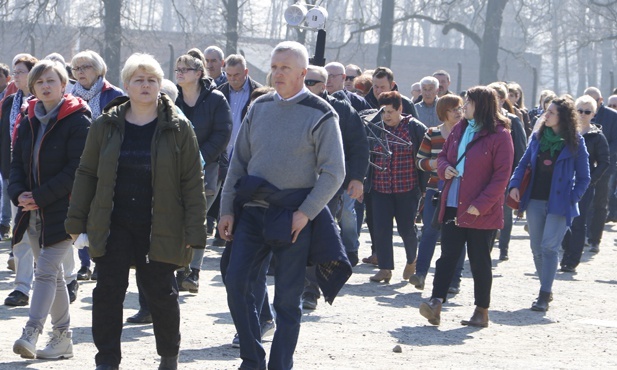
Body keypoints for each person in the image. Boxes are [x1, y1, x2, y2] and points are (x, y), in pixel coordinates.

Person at [65, 53, 207, 370]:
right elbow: (86, 172)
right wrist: (76, 221)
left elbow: (192, 182)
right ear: (126, 85)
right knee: (107, 294)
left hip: (160, 224)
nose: (146, 85)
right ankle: (107, 361)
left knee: (162, 293)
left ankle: (169, 357)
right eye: (139, 80)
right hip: (113, 223)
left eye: (152, 80)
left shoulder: (179, 127)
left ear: (161, 85)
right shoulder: (105, 124)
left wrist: (194, 233)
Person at [218, 41, 350, 370]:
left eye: (285, 68)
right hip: (252, 211)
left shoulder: (322, 113)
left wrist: (306, 213)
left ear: (303, 73)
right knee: (236, 283)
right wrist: (226, 209)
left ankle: (280, 365)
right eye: (274, 67)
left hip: (294, 215)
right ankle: (252, 359)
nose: (276, 73)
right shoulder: (259, 107)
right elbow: (238, 163)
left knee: (287, 302)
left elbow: (335, 171)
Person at [11, 59, 91, 360]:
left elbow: (77, 169)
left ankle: (31, 331)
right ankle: (62, 339)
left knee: (44, 269)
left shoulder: (78, 119)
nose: (45, 86)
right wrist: (19, 194)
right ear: (33, 87)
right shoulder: (28, 116)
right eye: (40, 82)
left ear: (64, 84)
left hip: (65, 210)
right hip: (31, 209)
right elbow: (16, 161)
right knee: (54, 276)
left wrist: (40, 196)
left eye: (51, 81)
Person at [420, 86, 514, 327]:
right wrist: (444, 168)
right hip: (453, 203)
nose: (463, 108)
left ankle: (481, 311)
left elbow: (502, 177)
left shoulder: (500, 135)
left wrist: (480, 205)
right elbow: (443, 157)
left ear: (480, 105)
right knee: (447, 256)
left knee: (479, 260)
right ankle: (435, 302)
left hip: (481, 210)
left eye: (468, 103)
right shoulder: (460, 128)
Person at [509, 97, 590, 312]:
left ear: (563, 117)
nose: (547, 115)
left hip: (560, 204)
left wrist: (572, 198)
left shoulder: (575, 141)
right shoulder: (537, 137)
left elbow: (584, 177)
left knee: (549, 247)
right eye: (547, 111)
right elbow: (522, 164)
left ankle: (544, 294)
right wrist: (514, 185)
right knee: (536, 248)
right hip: (534, 200)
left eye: (552, 112)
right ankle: (546, 286)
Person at [301, 65, 368, 307]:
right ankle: (295, 281)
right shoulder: (292, 105)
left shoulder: (340, 110)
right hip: (293, 180)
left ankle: (311, 289)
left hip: (327, 183)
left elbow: (359, 145)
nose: (307, 85)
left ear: (324, 84)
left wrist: (357, 178)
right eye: (305, 80)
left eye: (312, 82)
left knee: (314, 231)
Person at [174, 51, 232, 293]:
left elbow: (223, 133)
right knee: (176, 219)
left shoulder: (216, 99)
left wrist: (199, 157)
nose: (179, 73)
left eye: (185, 69)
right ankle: (178, 269)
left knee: (195, 219)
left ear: (198, 74)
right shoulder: (171, 99)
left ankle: (193, 272)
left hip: (209, 169)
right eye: (177, 68)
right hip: (175, 169)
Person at [69, 50, 124, 281]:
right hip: (77, 163)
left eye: (86, 67)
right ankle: (84, 264)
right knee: (80, 211)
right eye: (76, 68)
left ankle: (101, 260)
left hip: (107, 164)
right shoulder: (69, 96)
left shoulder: (114, 95)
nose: (81, 72)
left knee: (104, 212)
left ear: (99, 69)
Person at [368, 91, 426, 283]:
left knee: (406, 228)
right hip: (380, 188)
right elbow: (367, 156)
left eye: (391, 111)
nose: (387, 116)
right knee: (381, 229)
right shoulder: (375, 128)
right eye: (383, 112)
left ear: (400, 109)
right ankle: (385, 268)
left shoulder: (414, 128)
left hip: (407, 188)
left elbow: (425, 157)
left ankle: (412, 260)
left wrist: (424, 187)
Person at [411, 94, 466, 290]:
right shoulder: (432, 134)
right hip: (435, 189)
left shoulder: (467, 134)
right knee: (429, 232)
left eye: (460, 107)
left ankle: (454, 280)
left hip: (459, 191)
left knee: (457, 235)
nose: (458, 112)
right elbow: (419, 161)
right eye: (453, 109)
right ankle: (420, 274)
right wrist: (434, 163)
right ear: (444, 112)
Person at [561, 95, 609, 272]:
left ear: (593, 114)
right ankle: (565, 250)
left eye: (587, 111)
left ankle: (572, 259)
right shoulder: (565, 132)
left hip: (583, 185)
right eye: (579, 110)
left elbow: (604, 161)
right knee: (561, 219)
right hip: (563, 182)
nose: (582, 114)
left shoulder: (597, 136)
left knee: (578, 222)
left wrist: (590, 181)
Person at [487, 82, 527, 261]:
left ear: (502, 100)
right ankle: (485, 248)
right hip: (485, 175)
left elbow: (520, 150)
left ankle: (503, 247)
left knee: (505, 213)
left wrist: (515, 179)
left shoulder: (513, 121)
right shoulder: (481, 121)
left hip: (506, 175)